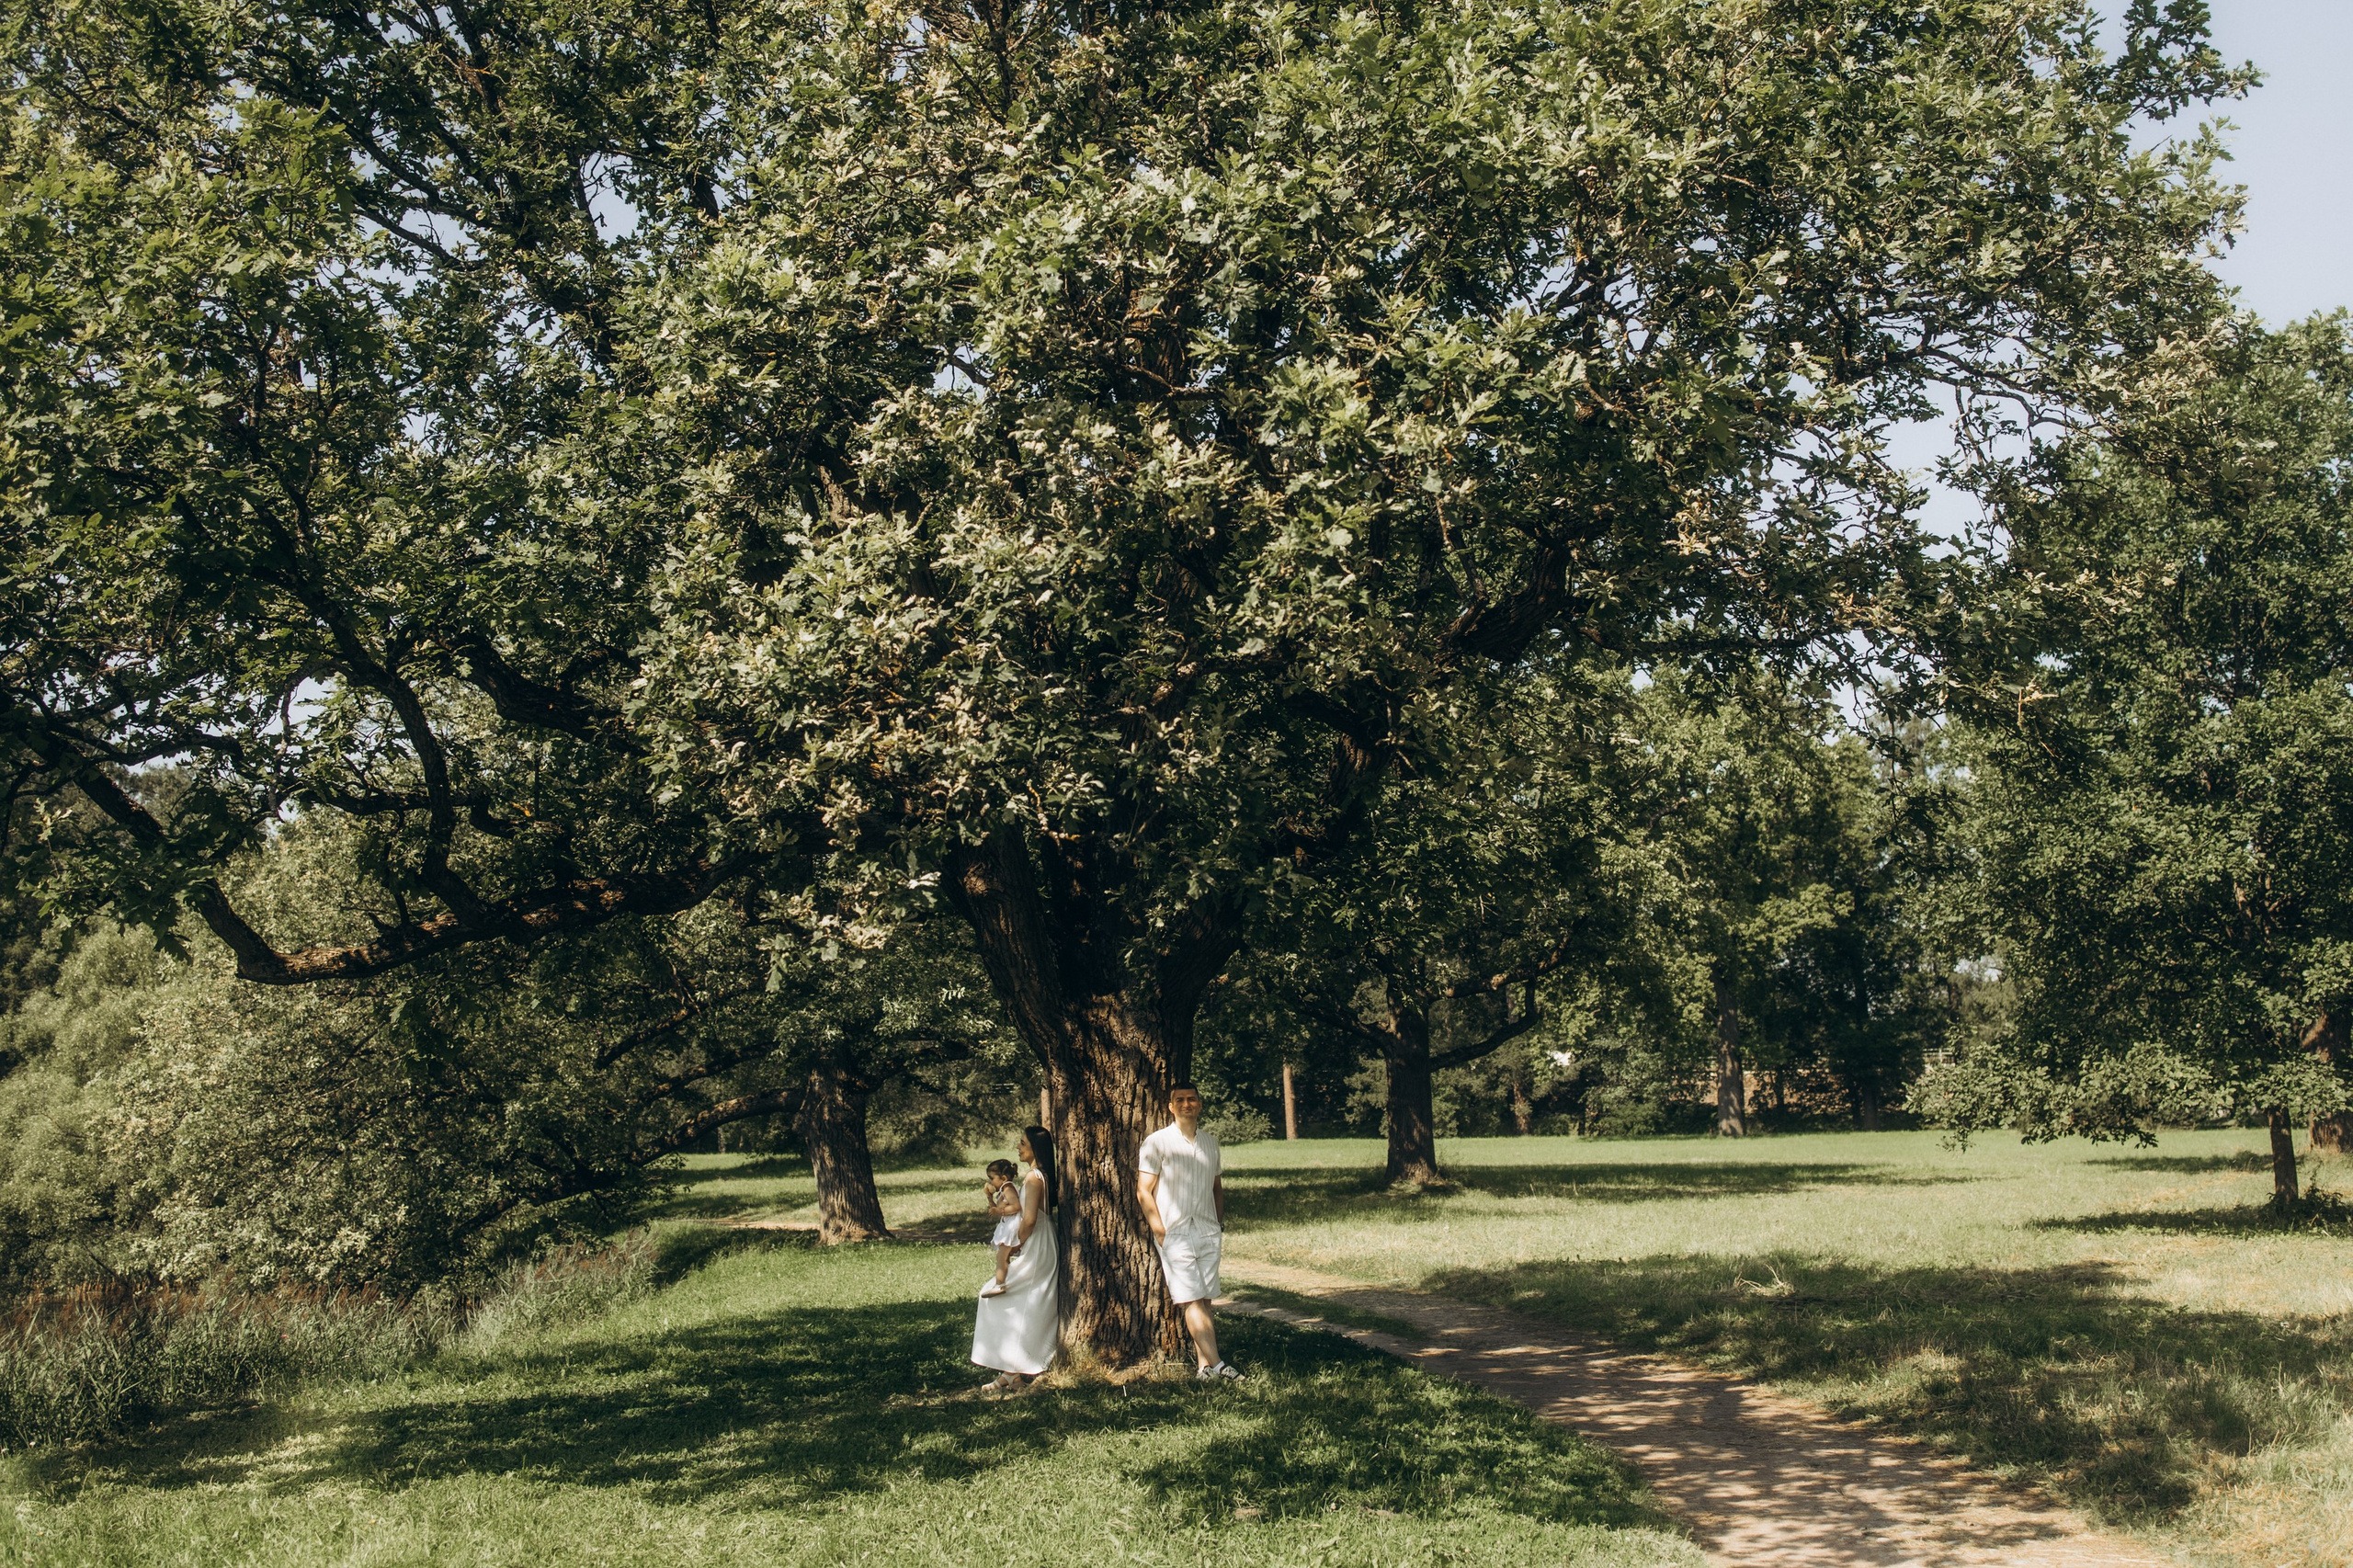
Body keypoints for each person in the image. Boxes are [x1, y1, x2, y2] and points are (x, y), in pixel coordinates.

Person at [1138, 1084, 1243, 1381]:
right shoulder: (1157, 1142)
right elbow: (1143, 1191)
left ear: (1200, 1104)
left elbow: (1217, 1188)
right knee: (1192, 1300)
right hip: (1175, 1233)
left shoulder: (1210, 1143)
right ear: (1170, 1106)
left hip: (1208, 1230)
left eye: (1191, 1099)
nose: (1187, 1104)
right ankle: (1221, 1366)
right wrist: (1161, 1233)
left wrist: (1217, 1223)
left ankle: (1204, 1369)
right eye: (1180, 1100)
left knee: (1206, 1299)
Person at [972, 1126, 1058, 1392]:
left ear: (1035, 1148)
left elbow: (1029, 1219)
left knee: (999, 1297)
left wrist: (1014, 1245)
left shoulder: (1033, 1177)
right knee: (1022, 1303)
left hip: (1036, 1243)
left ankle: (1025, 1366)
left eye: (1022, 1144)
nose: (1018, 1148)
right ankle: (1011, 1373)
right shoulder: (1040, 1175)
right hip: (1043, 1241)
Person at [979, 1158, 1023, 1297]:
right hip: (1006, 1225)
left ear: (1003, 1178)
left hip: (1012, 1226)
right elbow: (994, 1210)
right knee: (1002, 1256)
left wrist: (1000, 1211)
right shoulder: (1002, 1190)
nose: (991, 1182)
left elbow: (1016, 1207)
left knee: (1002, 1256)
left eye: (992, 1178)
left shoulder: (1008, 1188)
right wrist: (989, 1198)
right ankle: (1004, 1280)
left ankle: (1000, 1284)